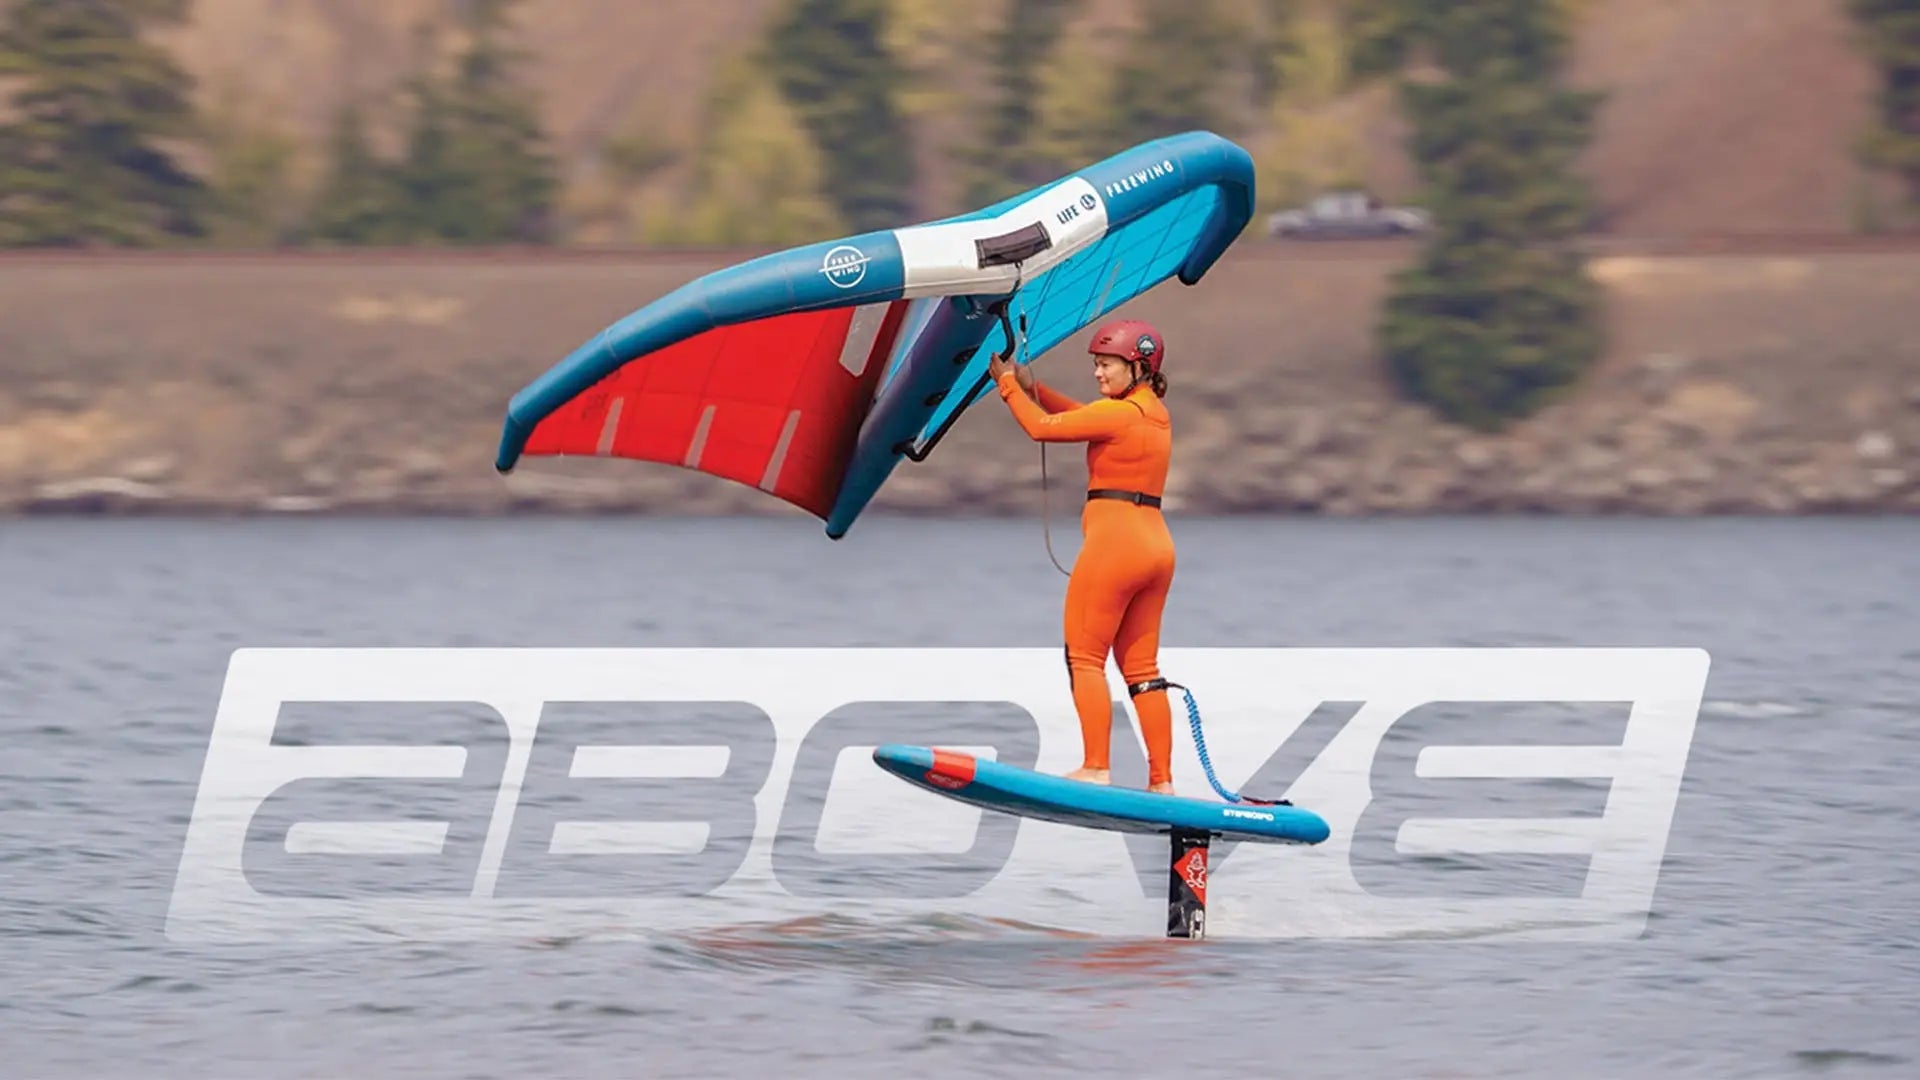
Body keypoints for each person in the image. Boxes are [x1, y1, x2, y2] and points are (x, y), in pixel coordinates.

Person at [986, 318, 1177, 795]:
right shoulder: (1150, 413)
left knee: (1085, 657)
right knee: (1143, 671)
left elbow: (1044, 430)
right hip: (1157, 548)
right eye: (1096, 365)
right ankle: (1162, 781)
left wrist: (1008, 386)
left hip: (1117, 545)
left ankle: (1095, 766)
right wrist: (1037, 387)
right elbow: (1084, 419)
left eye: (1106, 365)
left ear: (1138, 365)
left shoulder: (1120, 414)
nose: (1098, 373)